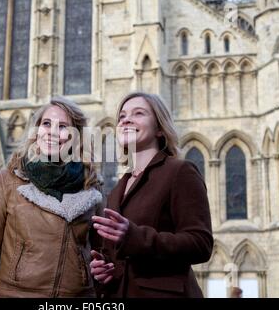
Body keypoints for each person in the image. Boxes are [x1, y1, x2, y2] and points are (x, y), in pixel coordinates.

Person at [0, 96, 103, 298]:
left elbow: (100, 253)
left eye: (63, 126)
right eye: (46, 123)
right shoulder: (9, 180)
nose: (52, 132)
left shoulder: (91, 185)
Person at [90, 92, 213, 298]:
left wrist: (135, 236)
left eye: (139, 113)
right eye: (122, 116)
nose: (126, 119)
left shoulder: (180, 171)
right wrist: (103, 269)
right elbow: (119, 253)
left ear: (159, 129)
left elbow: (200, 244)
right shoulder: (118, 188)